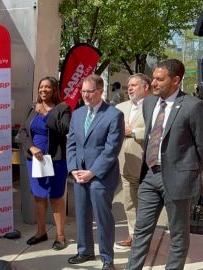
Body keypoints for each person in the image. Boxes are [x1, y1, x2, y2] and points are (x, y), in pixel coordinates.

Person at [126, 59, 203, 270]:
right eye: (154, 78)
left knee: (178, 235)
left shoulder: (193, 107)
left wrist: (197, 179)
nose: (154, 83)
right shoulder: (149, 103)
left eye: (160, 79)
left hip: (179, 180)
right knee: (141, 230)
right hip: (150, 175)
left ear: (176, 80)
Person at [66, 74, 124, 270]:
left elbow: (111, 150)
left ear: (100, 91)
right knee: (81, 214)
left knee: (102, 217)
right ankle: (85, 251)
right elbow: (71, 143)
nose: (85, 95)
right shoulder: (78, 113)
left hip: (101, 176)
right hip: (79, 174)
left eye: (89, 91)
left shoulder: (114, 115)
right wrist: (73, 168)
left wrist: (92, 172)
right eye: (83, 91)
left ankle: (107, 259)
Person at [17, 76, 71, 250]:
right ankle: (41, 232)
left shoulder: (63, 108)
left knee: (56, 198)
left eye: (47, 87)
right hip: (35, 160)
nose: (43, 90)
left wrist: (46, 114)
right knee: (39, 197)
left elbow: (64, 129)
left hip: (55, 160)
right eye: (41, 87)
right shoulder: (33, 108)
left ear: (55, 89)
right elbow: (23, 131)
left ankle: (60, 236)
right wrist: (31, 148)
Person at [114, 73, 151, 250]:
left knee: (146, 204)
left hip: (147, 165)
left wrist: (134, 131)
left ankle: (144, 238)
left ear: (146, 87)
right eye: (129, 85)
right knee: (129, 202)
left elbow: (160, 131)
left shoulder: (155, 106)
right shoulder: (120, 107)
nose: (129, 88)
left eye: (134, 85)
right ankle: (133, 235)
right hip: (125, 163)